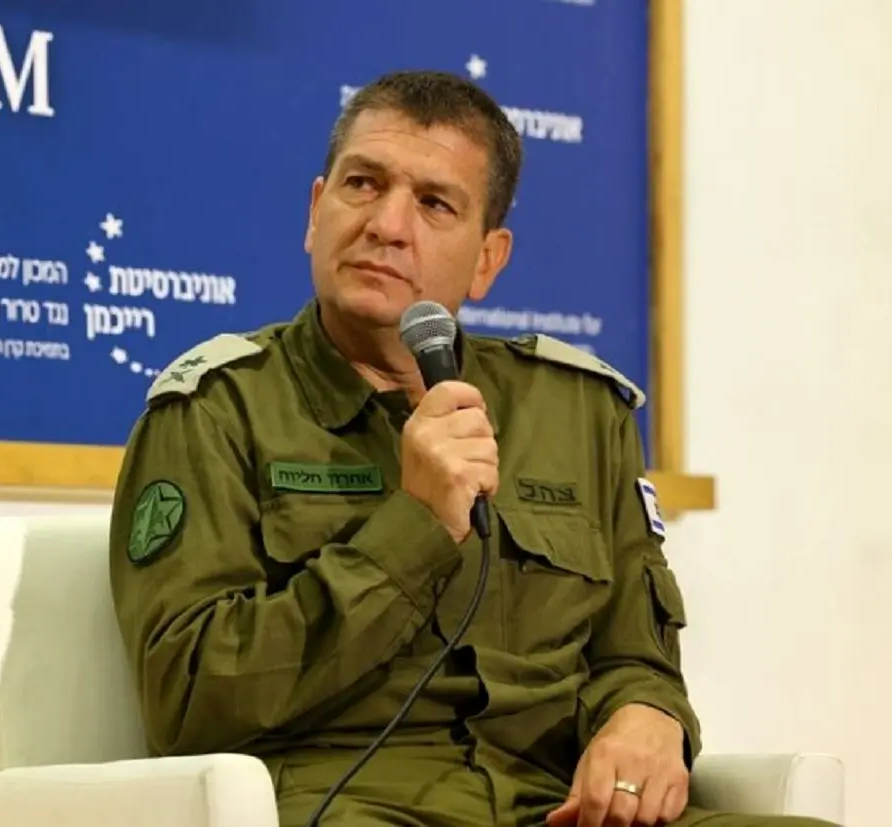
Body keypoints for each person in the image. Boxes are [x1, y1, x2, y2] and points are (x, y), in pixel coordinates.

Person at [108, 70, 836, 827]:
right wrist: (415, 526)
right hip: (349, 800)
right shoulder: (216, 409)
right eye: (363, 184)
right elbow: (185, 698)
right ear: (316, 212)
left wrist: (647, 715)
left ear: (489, 258)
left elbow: (633, 654)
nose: (388, 224)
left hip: (556, 805)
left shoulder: (578, 411)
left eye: (434, 203)